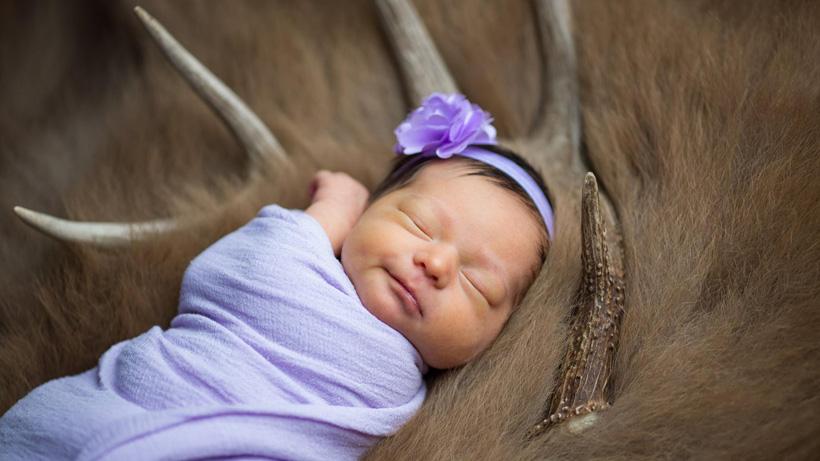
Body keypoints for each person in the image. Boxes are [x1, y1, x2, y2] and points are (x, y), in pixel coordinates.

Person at [0, 93, 553, 460]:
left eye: (478, 285)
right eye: (416, 223)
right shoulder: (292, 262)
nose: (437, 264)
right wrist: (335, 205)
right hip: (130, 410)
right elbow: (238, 267)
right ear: (361, 217)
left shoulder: (421, 408)